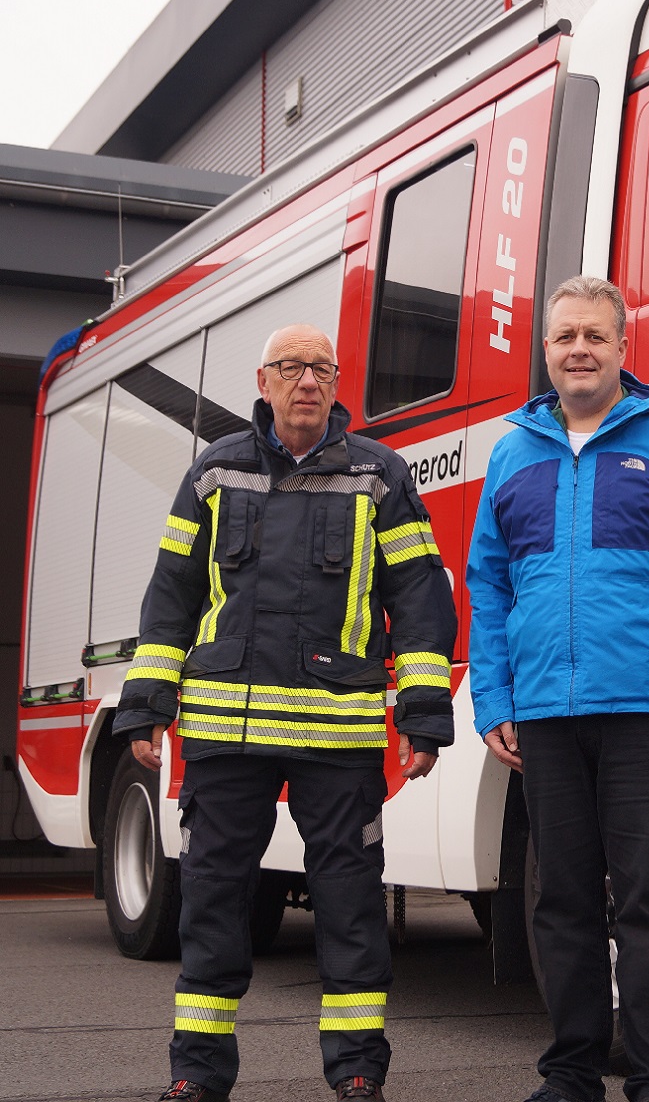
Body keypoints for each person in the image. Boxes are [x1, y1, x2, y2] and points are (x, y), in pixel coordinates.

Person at [113, 324, 457, 1102]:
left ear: (337, 385)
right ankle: (196, 1077)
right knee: (213, 907)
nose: (307, 381)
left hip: (337, 741)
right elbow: (171, 597)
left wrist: (424, 712)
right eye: (291, 368)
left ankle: (359, 1071)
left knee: (351, 910)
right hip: (225, 736)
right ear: (263, 382)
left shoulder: (380, 476)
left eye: (321, 369)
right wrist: (146, 706)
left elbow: (421, 602)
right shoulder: (214, 470)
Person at [467, 275, 649, 1102]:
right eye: (564, 337)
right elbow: (487, 583)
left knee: (648, 901)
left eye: (594, 335)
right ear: (546, 352)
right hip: (545, 714)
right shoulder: (514, 450)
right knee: (561, 904)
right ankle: (572, 1071)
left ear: (625, 348)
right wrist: (495, 700)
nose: (579, 349)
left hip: (646, 712)